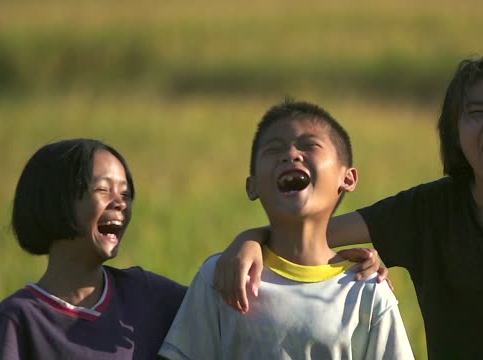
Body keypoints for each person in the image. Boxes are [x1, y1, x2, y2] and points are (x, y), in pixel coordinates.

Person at [214, 54, 483, 359]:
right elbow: (311, 235)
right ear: (455, 132)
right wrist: (251, 239)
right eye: (477, 113)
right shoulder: (430, 210)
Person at [158, 99, 414, 359]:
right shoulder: (223, 275)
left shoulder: (366, 290)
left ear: (347, 178)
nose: (291, 154)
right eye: (273, 149)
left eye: (309, 145)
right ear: (253, 186)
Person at [0, 139, 188, 359]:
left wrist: (234, 249)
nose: (120, 203)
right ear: (56, 200)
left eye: (125, 194)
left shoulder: (147, 294)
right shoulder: (21, 317)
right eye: (103, 189)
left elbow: (220, 306)